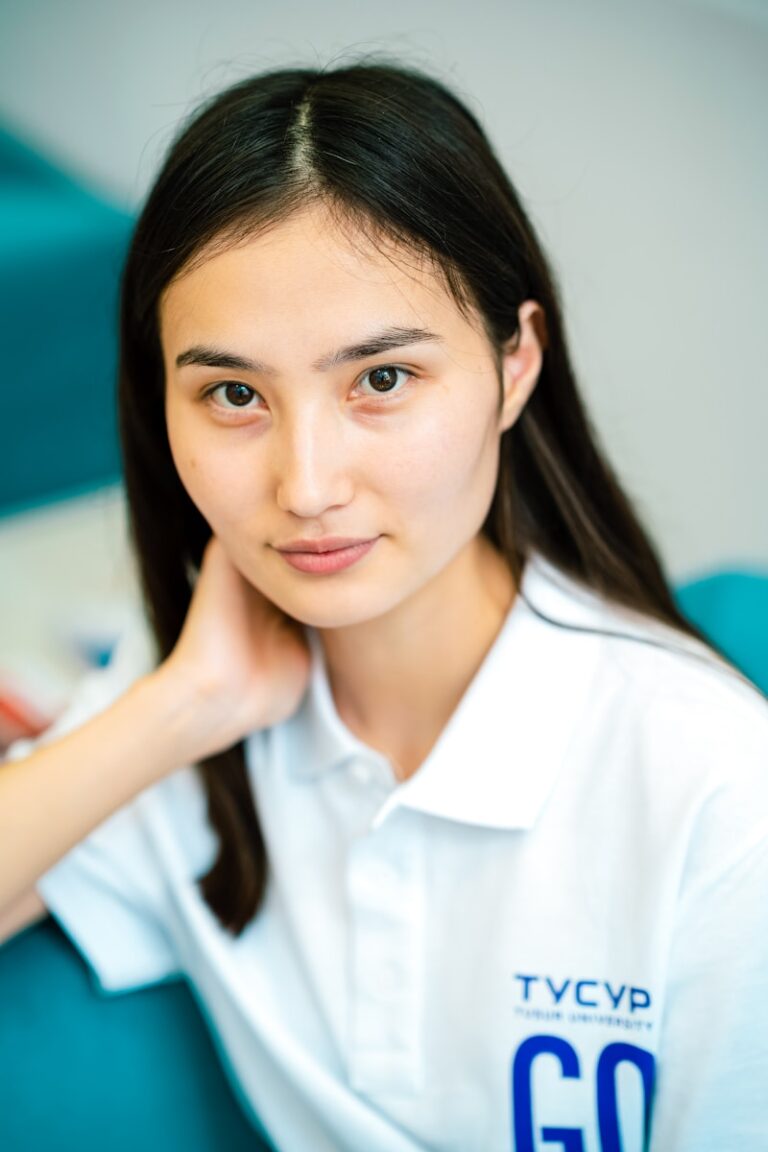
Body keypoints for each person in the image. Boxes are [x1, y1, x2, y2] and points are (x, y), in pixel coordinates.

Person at [1, 55, 767, 1152]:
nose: (307, 485)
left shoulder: (716, 794)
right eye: (232, 395)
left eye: (384, 380)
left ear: (514, 365)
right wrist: (186, 706)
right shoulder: (189, 713)